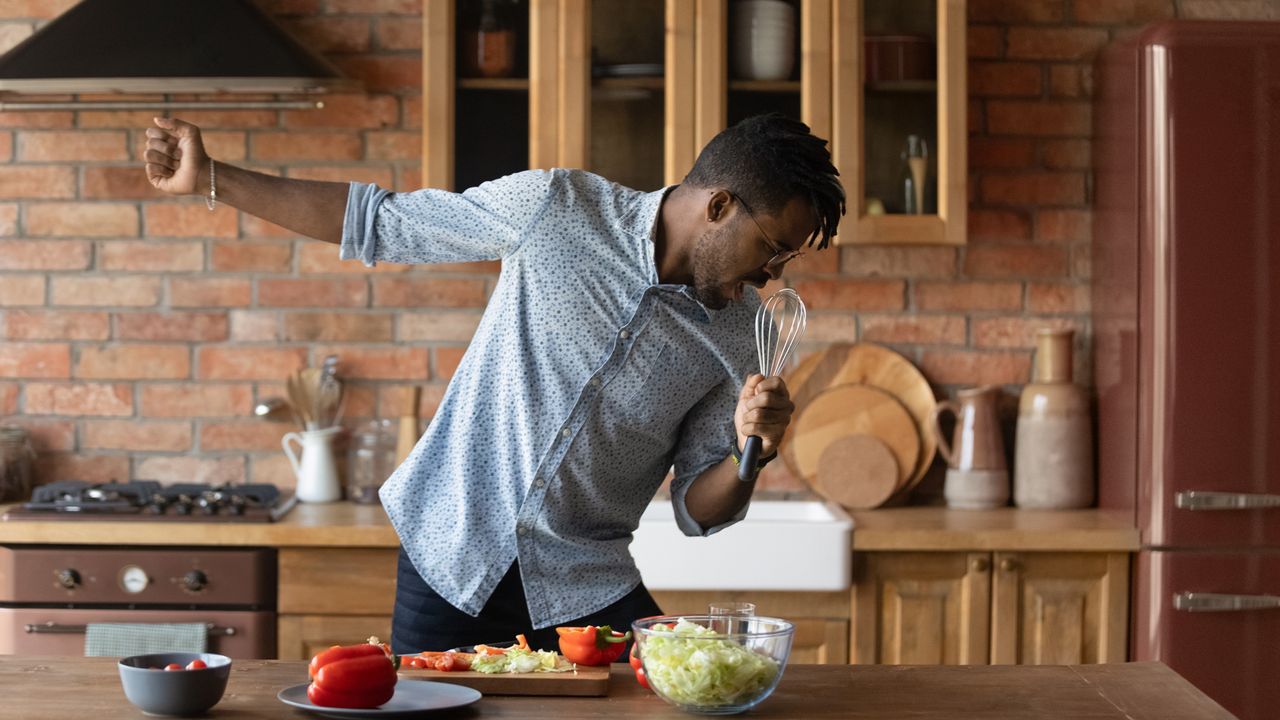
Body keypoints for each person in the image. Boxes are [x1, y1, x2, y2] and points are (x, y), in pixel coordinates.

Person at [143, 112, 845, 654]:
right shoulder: (557, 209)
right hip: (450, 556)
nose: (772, 274)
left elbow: (701, 510)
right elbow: (381, 224)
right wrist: (214, 178)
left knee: (689, 689)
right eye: (773, 247)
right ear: (720, 207)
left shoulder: (737, 333)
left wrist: (751, 452)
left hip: (582, 584)